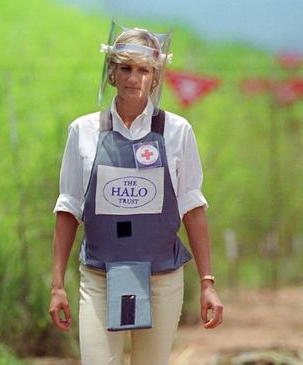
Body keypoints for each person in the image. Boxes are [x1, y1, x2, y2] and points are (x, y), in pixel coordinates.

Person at [48, 25, 224, 365]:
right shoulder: (82, 132)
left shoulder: (177, 131)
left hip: (161, 280)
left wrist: (207, 282)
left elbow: (192, 207)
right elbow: (68, 208)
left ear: (155, 77)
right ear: (111, 72)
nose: (134, 78)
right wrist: (57, 284)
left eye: (143, 70)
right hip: (99, 277)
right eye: (126, 68)